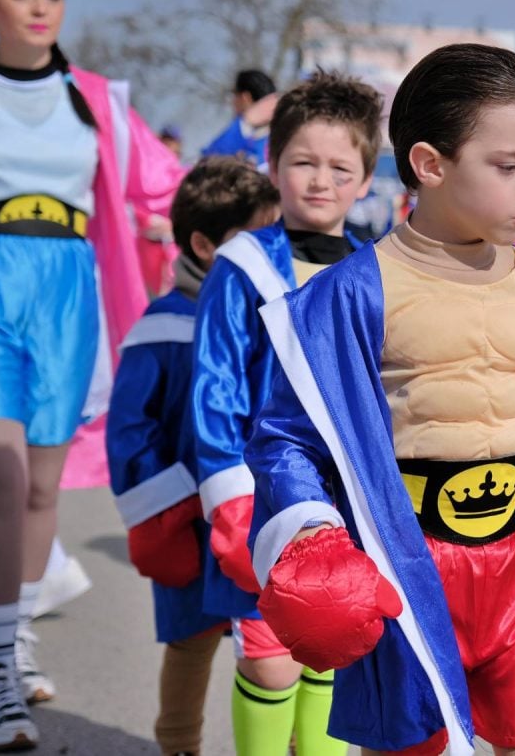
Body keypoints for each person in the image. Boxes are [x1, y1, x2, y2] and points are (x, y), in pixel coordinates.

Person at [243, 42, 515, 756]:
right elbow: (286, 435)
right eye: (508, 166)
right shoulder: (350, 293)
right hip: (409, 570)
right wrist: (314, 540)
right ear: (429, 164)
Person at [0, 0, 183, 751]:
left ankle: (14, 635)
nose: (41, 6)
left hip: (69, 294)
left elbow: (166, 185)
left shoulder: (99, 101)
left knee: (42, 488)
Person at [191, 72, 377, 756]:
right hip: (260, 501)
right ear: (273, 168)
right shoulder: (242, 266)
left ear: (364, 179)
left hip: (342, 504)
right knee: (270, 658)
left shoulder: (373, 268)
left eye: (340, 167)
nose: (320, 180)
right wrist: (230, 502)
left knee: (330, 651)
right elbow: (214, 388)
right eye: (303, 162)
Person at [107, 157, 278, 756]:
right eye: (255, 238)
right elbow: (130, 428)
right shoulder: (162, 327)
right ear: (205, 245)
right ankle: (178, 744)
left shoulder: (269, 316)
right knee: (190, 640)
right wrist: (159, 512)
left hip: (256, 511)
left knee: (277, 643)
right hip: (186, 516)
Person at [201, 69, 277, 169]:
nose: (232, 103)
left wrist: (245, 122)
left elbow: (207, 164)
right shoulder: (278, 136)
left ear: (245, 98)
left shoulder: (242, 133)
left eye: (235, 95)